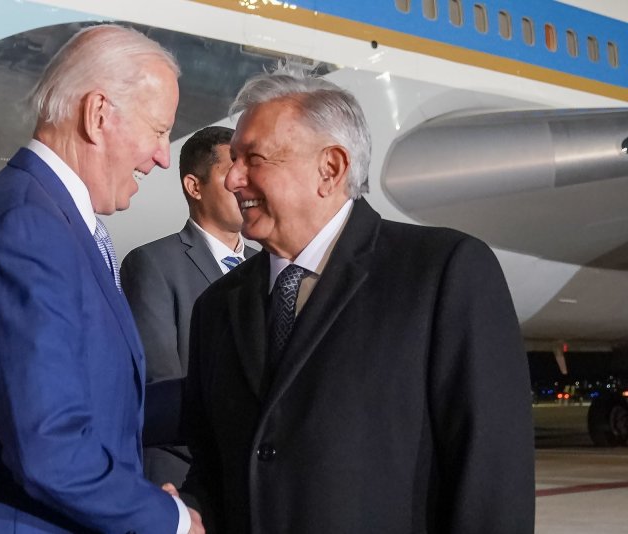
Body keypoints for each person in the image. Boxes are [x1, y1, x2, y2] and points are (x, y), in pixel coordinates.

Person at [181, 66, 535, 533]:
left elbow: (491, 479)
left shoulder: (443, 273)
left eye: (254, 158)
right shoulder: (218, 307)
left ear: (330, 169)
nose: (232, 180)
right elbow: (213, 468)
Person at [0, 25, 203, 534]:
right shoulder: (28, 228)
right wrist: (169, 519)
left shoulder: (54, 219)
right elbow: (50, 449)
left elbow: (96, 402)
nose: (164, 155)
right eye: (159, 130)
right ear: (99, 116)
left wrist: (222, 393)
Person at [121, 126, 257, 487]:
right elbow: (160, 384)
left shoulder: (269, 265)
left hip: (256, 478)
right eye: (231, 171)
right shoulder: (152, 264)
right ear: (194, 187)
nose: (245, 182)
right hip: (186, 477)